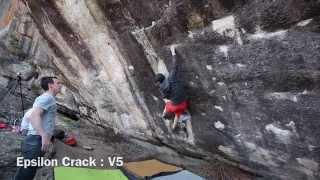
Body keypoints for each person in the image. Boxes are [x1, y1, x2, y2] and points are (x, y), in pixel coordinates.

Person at [14, 76, 62, 180]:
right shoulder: (47, 98)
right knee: (26, 172)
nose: (60, 85)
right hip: (35, 140)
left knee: (28, 171)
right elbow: (34, 115)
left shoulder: (49, 99)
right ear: (50, 86)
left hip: (36, 139)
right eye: (58, 83)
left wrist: (48, 137)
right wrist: (43, 135)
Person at [155, 45, 188, 130]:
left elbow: (166, 97)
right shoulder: (171, 77)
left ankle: (169, 121)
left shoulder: (163, 89)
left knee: (168, 104)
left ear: (159, 82)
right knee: (174, 109)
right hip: (183, 100)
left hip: (181, 104)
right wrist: (173, 52)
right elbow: (175, 65)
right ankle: (173, 124)